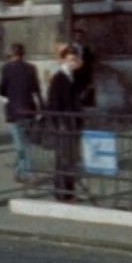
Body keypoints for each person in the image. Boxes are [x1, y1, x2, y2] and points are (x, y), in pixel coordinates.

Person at [0, 44, 41, 184]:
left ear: (12, 54)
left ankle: (29, 173)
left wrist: (10, 94)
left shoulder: (7, 69)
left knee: (21, 145)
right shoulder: (31, 68)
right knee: (24, 143)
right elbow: (36, 89)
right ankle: (19, 171)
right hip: (29, 110)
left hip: (14, 111)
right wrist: (41, 108)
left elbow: (1, 89)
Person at [43, 48, 84, 202]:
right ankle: (62, 192)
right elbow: (53, 105)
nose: (73, 63)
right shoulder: (59, 79)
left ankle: (69, 192)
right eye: (70, 59)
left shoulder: (73, 77)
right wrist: (58, 124)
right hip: (63, 126)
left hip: (72, 126)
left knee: (70, 161)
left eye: (74, 59)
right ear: (64, 60)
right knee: (62, 161)